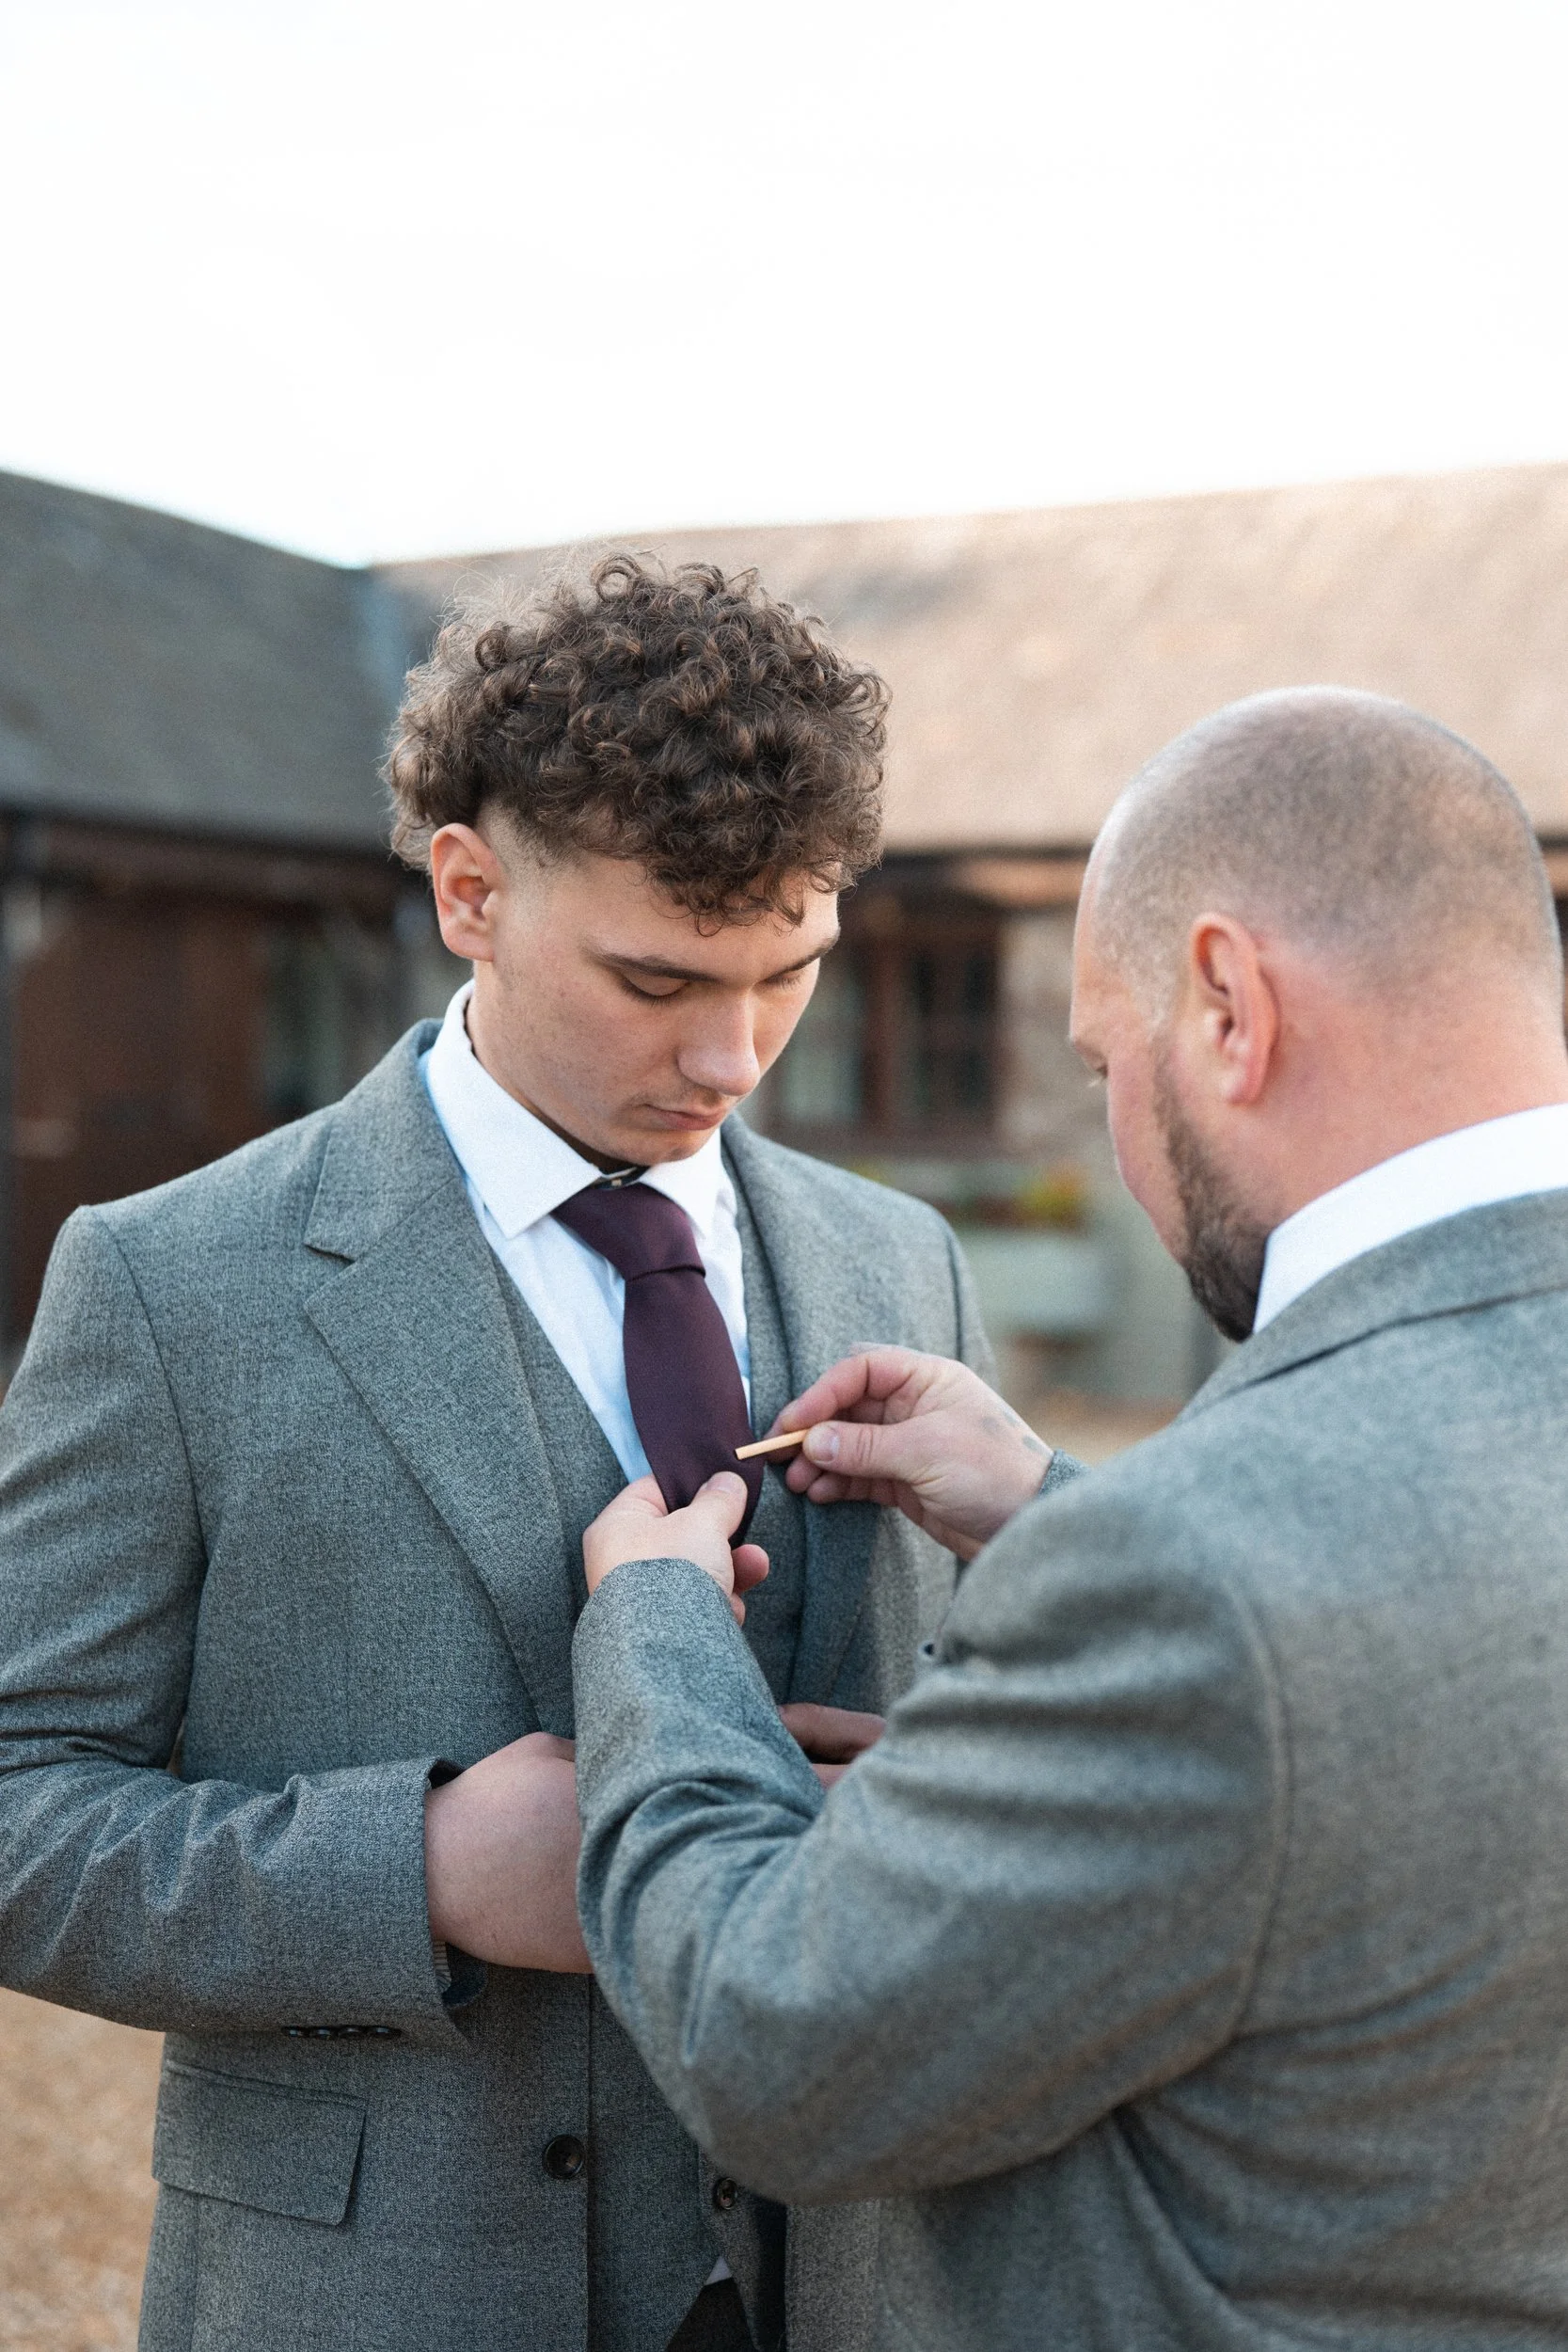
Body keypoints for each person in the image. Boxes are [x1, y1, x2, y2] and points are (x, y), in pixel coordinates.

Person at [0, 557, 995, 2352]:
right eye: (656, 977)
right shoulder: (167, 1283)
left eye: (793, 975)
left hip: (863, 2279)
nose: (732, 1055)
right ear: (468, 889)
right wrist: (430, 1869)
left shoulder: (896, 1259)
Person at [570, 686, 1568, 2350]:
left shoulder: (1188, 1579)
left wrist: (655, 1634)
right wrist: (1046, 1509)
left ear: (1227, 1007)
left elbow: (777, 2049)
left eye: (1107, 1060)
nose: (1115, 1136)